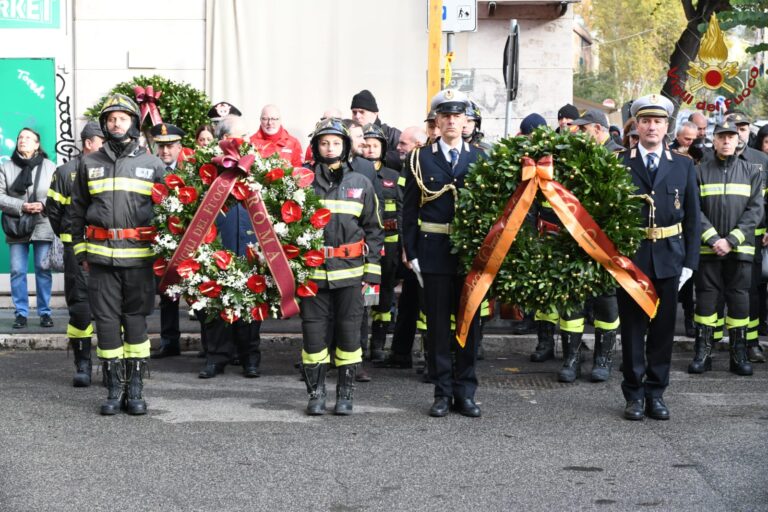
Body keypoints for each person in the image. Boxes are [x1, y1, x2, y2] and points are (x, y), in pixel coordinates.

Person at [69, 94, 165, 416]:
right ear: (104, 124)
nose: (116, 123)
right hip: (100, 261)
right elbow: (76, 211)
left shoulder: (153, 165)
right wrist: (81, 251)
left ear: (133, 123)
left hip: (139, 260)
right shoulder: (89, 163)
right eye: (111, 119)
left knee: (136, 323)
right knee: (107, 324)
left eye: (122, 118)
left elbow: (169, 213)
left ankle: (135, 389)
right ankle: (113, 389)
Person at [617, 94, 700, 421]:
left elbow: (692, 217)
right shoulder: (619, 162)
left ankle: (656, 393)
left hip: (669, 258)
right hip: (631, 260)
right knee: (632, 331)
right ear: (636, 125)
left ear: (667, 127)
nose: (652, 127)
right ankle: (634, 395)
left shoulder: (683, 165)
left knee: (663, 331)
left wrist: (690, 263)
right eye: (646, 121)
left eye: (658, 121)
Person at [402, 88, 483, 418]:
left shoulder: (480, 158)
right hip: (433, 251)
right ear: (436, 120)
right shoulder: (419, 159)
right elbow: (409, 210)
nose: (451, 121)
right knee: (436, 327)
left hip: (469, 254)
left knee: (469, 324)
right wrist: (411, 251)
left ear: (466, 121)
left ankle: (466, 392)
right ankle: (442, 392)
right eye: (445, 116)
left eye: (457, 116)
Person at [300, 118, 383, 416]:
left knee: (349, 334)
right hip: (312, 275)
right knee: (313, 336)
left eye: (336, 143)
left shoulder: (361, 183)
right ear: (315, 147)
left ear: (346, 147)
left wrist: (371, 273)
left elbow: (374, 230)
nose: (330, 148)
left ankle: (345, 394)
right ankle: (316, 394)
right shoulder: (302, 182)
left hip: (350, 274)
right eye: (324, 143)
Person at [688, 120, 762, 377]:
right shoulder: (699, 172)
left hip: (739, 250)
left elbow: (756, 211)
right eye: (722, 137)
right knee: (706, 300)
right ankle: (703, 353)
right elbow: (693, 209)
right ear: (714, 140)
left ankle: (738, 354)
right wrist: (712, 239)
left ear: (738, 140)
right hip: (708, 250)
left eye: (731, 136)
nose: (727, 141)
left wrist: (731, 240)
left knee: (739, 300)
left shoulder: (752, 171)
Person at [46, 121, 104, 386]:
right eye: (102, 141)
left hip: (108, 250)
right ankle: (83, 364)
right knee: (80, 307)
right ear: (89, 143)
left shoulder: (112, 170)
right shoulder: (65, 172)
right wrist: (70, 238)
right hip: (77, 252)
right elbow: (54, 211)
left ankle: (111, 366)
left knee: (111, 308)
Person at [0, 128, 57, 330]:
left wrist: (42, 204)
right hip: (17, 223)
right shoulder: (6, 167)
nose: (22, 140)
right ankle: (21, 313)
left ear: (37, 144)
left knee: (43, 268)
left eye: (27, 138)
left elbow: (57, 194)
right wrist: (21, 206)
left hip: (43, 221)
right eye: (20, 137)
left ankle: (45, 312)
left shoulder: (50, 167)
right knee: (17, 270)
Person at [725, 112, 768, 363]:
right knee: (715, 293)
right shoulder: (709, 159)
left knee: (749, 291)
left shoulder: (761, 160)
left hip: (753, 239)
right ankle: (710, 343)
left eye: (742, 128)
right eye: (733, 128)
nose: (738, 133)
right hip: (718, 240)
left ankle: (750, 343)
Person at [362, 123, 402, 362]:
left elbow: (402, 211)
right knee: (362, 293)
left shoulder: (393, 177)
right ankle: (358, 345)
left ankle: (378, 344)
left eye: (375, 145)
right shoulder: (355, 174)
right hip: (364, 245)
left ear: (383, 149)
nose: (370, 150)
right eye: (366, 145)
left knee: (385, 294)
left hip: (389, 246)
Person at [148, 123, 187, 360]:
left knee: (198, 292)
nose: (165, 151)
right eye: (161, 146)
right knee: (167, 293)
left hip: (188, 238)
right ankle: (169, 341)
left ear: (180, 147)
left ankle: (210, 346)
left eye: (170, 146)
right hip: (161, 238)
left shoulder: (190, 171)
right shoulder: (149, 170)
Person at [350, 89, 401, 169]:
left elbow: (405, 157)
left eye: (362, 112)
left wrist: (378, 156)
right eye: (354, 112)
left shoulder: (392, 134)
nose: (357, 116)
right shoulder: (349, 133)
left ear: (375, 113)